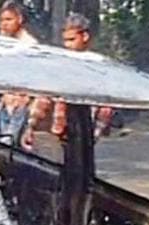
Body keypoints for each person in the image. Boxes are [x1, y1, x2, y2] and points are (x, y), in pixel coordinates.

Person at [22, 13, 113, 148]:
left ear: (85, 37)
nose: (68, 45)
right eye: (65, 41)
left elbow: (106, 104)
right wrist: (30, 126)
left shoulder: (98, 65)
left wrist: (96, 134)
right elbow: (45, 95)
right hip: (59, 130)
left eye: (72, 40)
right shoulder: (62, 64)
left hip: (85, 128)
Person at [0, 1, 38, 146]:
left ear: (19, 19)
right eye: (2, 20)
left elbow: (33, 74)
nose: (4, 24)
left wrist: (26, 98)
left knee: (10, 144)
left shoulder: (29, 45)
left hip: (21, 101)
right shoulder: (4, 43)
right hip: (5, 100)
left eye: (8, 19)